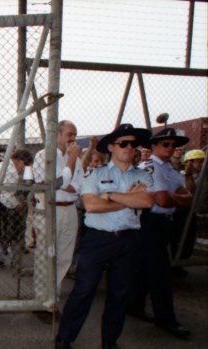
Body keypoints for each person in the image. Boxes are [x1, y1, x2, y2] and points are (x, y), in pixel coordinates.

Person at [55, 123, 154, 349]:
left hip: (128, 240)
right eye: (123, 143)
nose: (130, 147)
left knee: (120, 293)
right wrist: (126, 200)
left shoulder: (142, 176)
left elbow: (147, 201)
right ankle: (65, 338)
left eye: (133, 143)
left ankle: (110, 340)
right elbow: (91, 205)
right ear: (111, 147)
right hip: (97, 240)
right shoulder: (95, 174)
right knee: (84, 290)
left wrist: (108, 196)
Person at [128, 128, 192, 339]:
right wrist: (176, 197)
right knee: (160, 273)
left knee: (146, 269)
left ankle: (134, 305)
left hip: (164, 222)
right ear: (153, 146)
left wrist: (173, 196)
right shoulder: (150, 167)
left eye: (173, 145)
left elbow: (187, 197)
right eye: (166, 144)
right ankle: (166, 319)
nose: (171, 148)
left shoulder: (171, 169)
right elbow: (163, 200)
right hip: (150, 222)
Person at [32, 120, 84, 322]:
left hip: (69, 210)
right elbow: (55, 185)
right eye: (69, 134)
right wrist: (70, 164)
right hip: (49, 209)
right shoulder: (44, 156)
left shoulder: (77, 158)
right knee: (45, 257)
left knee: (63, 258)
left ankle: (52, 301)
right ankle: (40, 302)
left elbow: (78, 185)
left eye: (75, 134)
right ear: (58, 135)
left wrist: (66, 180)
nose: (73, 139)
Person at [0, 149, 33, 269]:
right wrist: (17, 205)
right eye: (25, 166)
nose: (24, 170)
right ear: (20, 162)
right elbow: (5, 196)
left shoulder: (4, 166)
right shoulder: (11, 170)